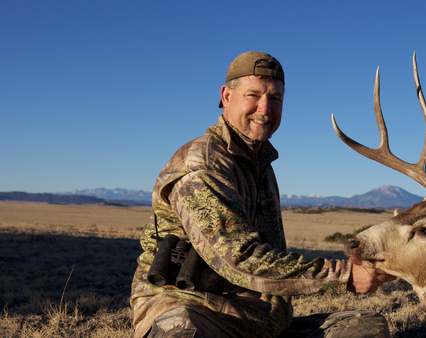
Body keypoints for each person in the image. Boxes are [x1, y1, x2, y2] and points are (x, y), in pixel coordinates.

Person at [130, 51, 396, 338]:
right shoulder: (202, 164)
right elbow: (239, 258)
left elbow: (270, 255)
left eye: (275, 98)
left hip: (256, 322)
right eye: (253, 95)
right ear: (227, 96)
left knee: (366, 327)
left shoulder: (260, 165)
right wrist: (344, 275)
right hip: (198, 315)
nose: (265, 108)